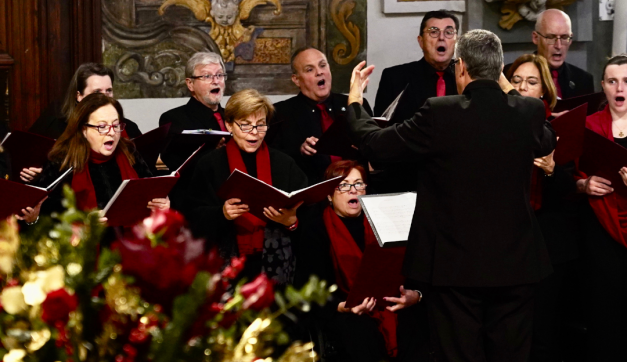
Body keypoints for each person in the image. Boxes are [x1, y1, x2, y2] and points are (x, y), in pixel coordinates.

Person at [346, 29, 556, 361]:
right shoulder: (527, 111)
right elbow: (547, 140)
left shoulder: (440, 112)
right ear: (499, 69)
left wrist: (356, 100)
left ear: (460, 68)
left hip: (454, 266)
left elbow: (374, 144)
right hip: (516, 264)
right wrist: (506, 85)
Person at [295, 160, 425, 362]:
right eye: (343, 185)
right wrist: (342, 306)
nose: (352, 190)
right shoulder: (316, 228)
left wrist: (415, 295)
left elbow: (413, 266)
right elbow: (310, 288)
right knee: (359, 331)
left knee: (413, 324)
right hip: (342, 307)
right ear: (329, 195)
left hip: (391, 301)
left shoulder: (385, 219)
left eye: (358, 184)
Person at [184, 89, 307, 284]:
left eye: (261, 125)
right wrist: (222, 213)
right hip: (226, 263)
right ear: (229, 125)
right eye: (246, 125)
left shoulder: (284, 163)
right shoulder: (210, 164)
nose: (255, 133)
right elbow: (191, 216)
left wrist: (291, 221)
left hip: (276, 264)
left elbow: (309, 213)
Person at [508, 53, 583, 362]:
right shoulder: (496, 126)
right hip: (507, 243)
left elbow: (569, 194)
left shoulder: (558, 126)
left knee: (544, 332)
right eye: (516, 81)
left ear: (544, 90)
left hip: (549, 244)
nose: (523, 87)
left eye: (531, 81)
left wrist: (551, 169)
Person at [32, 93, 168, 228]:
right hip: (83, 244)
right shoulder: (62, 160)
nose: (111, 132)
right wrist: (83, 219)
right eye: (102, 127)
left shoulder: (129, 152)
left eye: (115, 125)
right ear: (83, 129)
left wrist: (162, 204)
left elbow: (151, 193)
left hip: (129, 241)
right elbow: (47, 214)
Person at [574, 54, 627, 361]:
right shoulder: (587, 126)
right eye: (612, 81)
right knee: (602, 317)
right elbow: (564, 179)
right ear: (603, 87)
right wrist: (583, 185)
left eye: (625, 81)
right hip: (599, 234)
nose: (619, 87)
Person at [266, 47, 372, 186]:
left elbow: (374, 150)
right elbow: (271, 159)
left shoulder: (354, 104)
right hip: (310, 197)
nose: (319, 72)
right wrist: (300, 150)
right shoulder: (280, 113)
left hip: (355, 191)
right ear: (296, 79)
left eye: (322, 65)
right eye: (310, 69)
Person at [24, 63, 142, 182]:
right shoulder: (56, 126)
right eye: (97, 92)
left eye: (109, 91)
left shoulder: (128, 127)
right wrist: (38, 175)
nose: (105, 97)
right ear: (79, 96)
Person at [158, 51, 228, 211]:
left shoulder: (232, 117)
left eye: (219, 75)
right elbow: (174, 166)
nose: (215, 81)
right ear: (190, 84)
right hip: (194, 204)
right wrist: (212, 152)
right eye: (207, 76)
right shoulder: (173, 119)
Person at [374, 10, 459, 122]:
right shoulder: (394, 78)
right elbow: (381, 128)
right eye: (433, 32)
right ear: (421, 41)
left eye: (449, 32)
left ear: (457, 41)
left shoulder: (468, 77)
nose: (441, 37)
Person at [506, 9, 594, 100]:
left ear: (570, 39)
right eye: (551, 38)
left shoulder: (583, 80)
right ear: (536, 38)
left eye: (564, 37)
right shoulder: (508, 74)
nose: (558, 46)